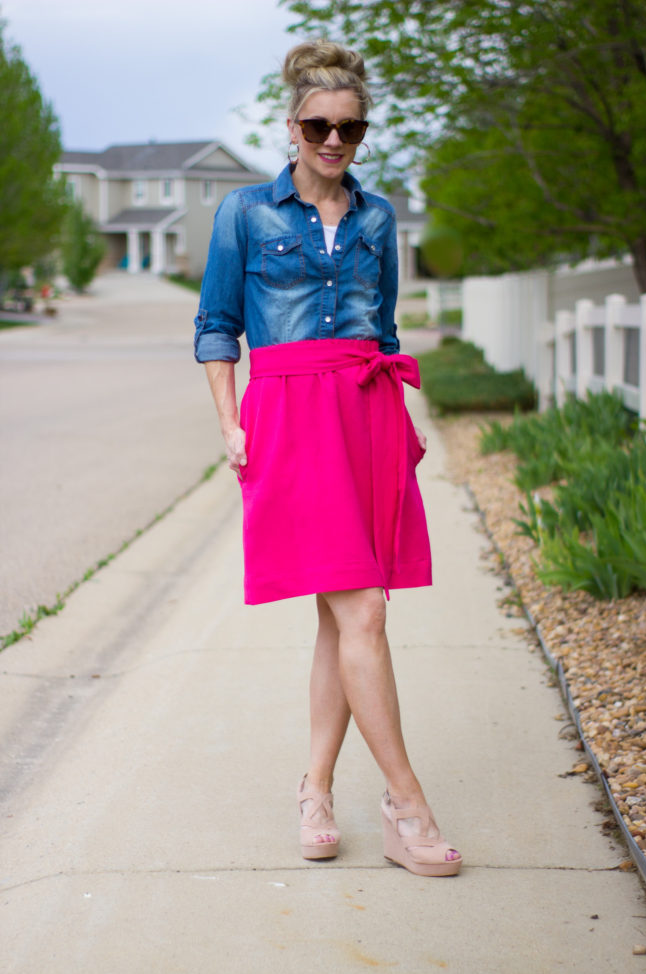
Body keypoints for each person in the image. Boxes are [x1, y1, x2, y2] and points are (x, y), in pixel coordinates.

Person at [194, 39, 461, 878]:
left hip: (365, 414)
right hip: (287, 414)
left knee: (341, 617)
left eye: (350, 127)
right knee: (364, 613)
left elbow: (379, 332)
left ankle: (313, 789)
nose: (334, 141)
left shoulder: (378, 216)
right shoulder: (244, 212)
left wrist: (401, 421)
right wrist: (229, 423)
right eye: (318, 125)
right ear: (292, 126)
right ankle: (404, 806)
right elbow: (215, 324)